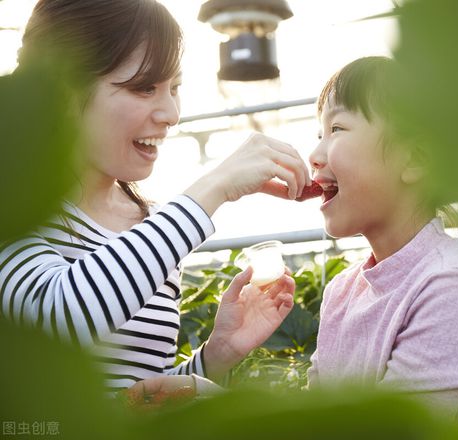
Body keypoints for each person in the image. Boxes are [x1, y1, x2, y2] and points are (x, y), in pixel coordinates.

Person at [0, 0, 311, 393]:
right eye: (145, 87)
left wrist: (217, 354)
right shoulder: (15, 207)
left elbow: (140, 395)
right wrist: (214, 186)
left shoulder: (151, 226)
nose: (171, 113)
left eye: (174, 88)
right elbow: (60, 317)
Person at [306, 56, 458, 439]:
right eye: (319, 134)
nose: (315, 155)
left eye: (336, 128)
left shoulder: (452, 288)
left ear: (416, 159)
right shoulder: (342, 291)